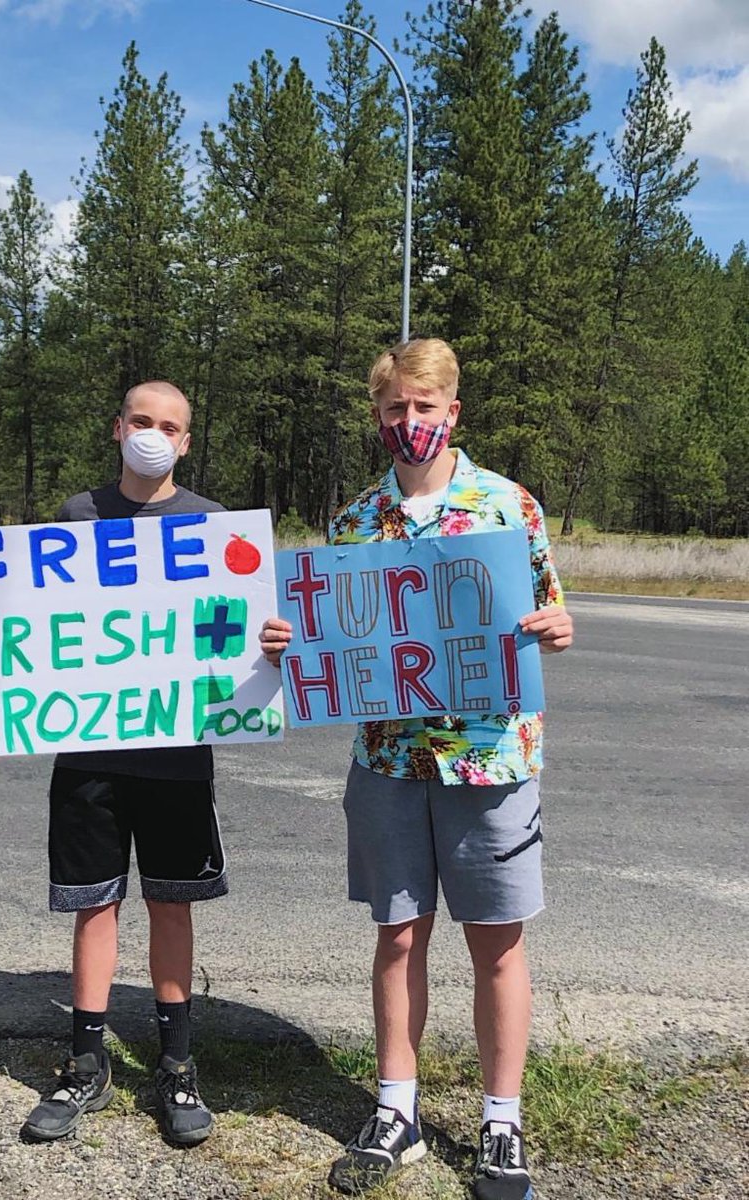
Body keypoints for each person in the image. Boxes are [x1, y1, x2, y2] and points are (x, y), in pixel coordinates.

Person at [274, 339, 572, 1199]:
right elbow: (328, 637)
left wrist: (557, 627)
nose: (412, 422)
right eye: (397, 409)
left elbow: (551, 607)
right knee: (398, 934)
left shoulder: (508, 506)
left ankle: (500, 1120)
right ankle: (396, 1109)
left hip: (490, 758)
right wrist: (294, 643)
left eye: (426, 407)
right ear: (379, 416)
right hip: (388, 760)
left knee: (498, 944)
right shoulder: (355, 522)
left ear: (453, 413)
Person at [9, 381, 284, 1147]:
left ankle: (175, 1063)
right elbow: (27, 616)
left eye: (169, 426)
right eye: (142, 421)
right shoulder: (75, 516)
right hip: (90, 750)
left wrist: (269, 644)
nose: (153, 435)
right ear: (118, 427)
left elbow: (244, 624)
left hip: (177, 753)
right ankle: (87, 1060)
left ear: (187, 441)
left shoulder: (213, 524)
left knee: (172, 905)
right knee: (94, 906)